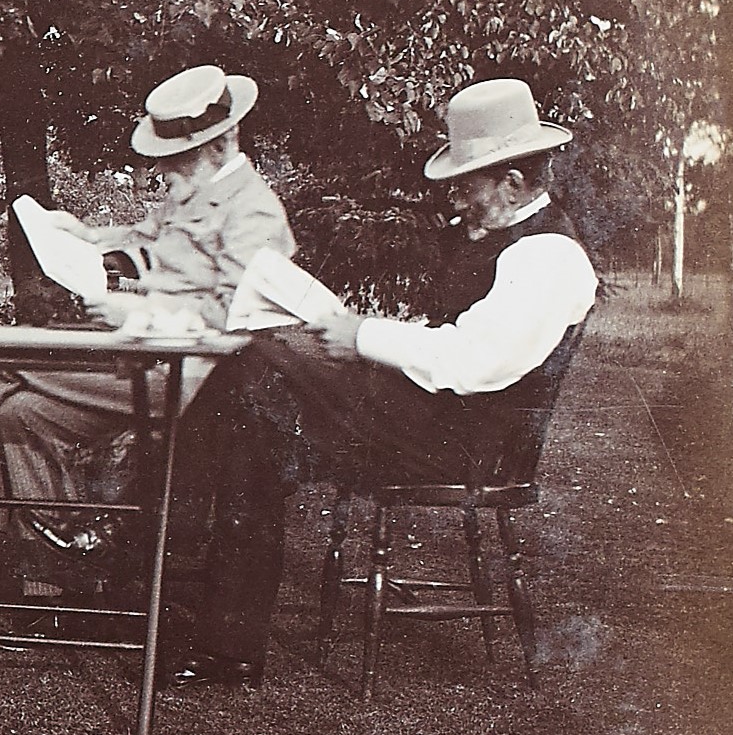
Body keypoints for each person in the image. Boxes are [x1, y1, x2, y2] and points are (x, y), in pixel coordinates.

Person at [167, 77, 598, 691]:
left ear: (511, 184)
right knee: (253, 408)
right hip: (432, 422)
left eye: (467, 184)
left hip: (468, 446)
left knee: (255, 367)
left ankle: (153, 559)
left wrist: (362, 336)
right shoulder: (501, 241)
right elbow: (454, 335)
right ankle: (213, 631)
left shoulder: (548, 256)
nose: (456, 198)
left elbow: (474, 363)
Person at [0, 66, 296, 602]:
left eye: (179, 157)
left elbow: (235, 315)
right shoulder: (196, 193)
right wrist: (83, 236)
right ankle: (55, 589)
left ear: (222, 143)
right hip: (151, 362)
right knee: (22, 415)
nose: (164, 171)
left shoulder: (256, 213)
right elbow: (145, 237)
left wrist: (134, 309)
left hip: (199, 384)